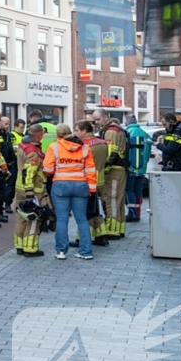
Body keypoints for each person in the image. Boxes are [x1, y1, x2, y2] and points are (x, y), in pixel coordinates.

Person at [43, 124, 98, 260]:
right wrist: (91, 189)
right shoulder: (85, 148)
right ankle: (85, 251)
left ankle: (61, 251)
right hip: (80, 185)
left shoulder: (54, 147)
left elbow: (48, 169)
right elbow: (91, 171)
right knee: (82, 219)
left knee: (62, 219)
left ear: (58, 135)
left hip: (61, 185)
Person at [13, 124, 49, 257]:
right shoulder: (33, 152)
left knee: (20, 217)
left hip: (19, 188)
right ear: (39, 135)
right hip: (33, 190)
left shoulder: (23, 146)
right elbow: (29, 173)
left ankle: (19, 245)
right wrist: (30, 193)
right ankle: (30, 248)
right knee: (34, 219)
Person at [92, 109, 128, 240]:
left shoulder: (111, 131)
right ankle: (119, 228)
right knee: (118, 200)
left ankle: (112, 230)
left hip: (114, 170)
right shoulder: (116, 129)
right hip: (119, 169)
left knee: (111, 199)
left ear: (106, 117)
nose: (96, 123)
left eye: (98, 119)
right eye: (94, 120)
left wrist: (104, 168)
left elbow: (110, 154)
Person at [73, 120, 109, 248]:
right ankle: (101, 236)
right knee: (95, 209)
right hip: (99, 179)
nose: (75, 133)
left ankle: (82, 238)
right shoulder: (102, 143)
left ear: (84, 131)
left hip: (87, 180)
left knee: (84, 210)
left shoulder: (84, 145)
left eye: (76, 130)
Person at [124, 114, 153, 222]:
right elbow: (149, 148)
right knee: (138, 190)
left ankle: (132, 213)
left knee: (128, 189)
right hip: (142, 168)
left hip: (131, 168)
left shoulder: (128, 133)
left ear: (126, 122)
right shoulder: (144, 133)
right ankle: (137, 212)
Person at [0, 116, 17, 214]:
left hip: (11, 162)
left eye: (9, 123)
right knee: (1, 186)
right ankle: (0, 207)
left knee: (11, 185)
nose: (8, 125)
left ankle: (8, 204)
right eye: (6, 123)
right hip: (1, 164)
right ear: (0, 123)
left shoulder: (8, 135)